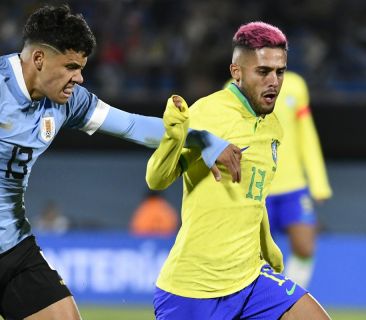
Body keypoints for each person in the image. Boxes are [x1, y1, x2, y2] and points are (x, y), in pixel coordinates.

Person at [0, 5, 241, 320]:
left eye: (82, 67)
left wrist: (201, 139)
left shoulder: (68, 101)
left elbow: (131, 126)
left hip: (14, 248)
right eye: (71, 66)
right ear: (39, 59)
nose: (79, 77)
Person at [146, 22, 331, 319]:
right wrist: (175, 135)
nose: (274, 81)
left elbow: (253, 197)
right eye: (263, 71)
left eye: (279, 71)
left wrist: (266, 243)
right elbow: (156, 178)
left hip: (251, 279)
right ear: (237, 72)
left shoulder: (273, 127)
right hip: (194, 287)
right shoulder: (208, 113)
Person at [266, 70, 332, 289]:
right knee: (257, 257)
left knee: (305, 248)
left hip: (294, 186)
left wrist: (318, 182)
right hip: (258, 186)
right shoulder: (235, 85)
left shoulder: (295, 85)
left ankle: (286, 300)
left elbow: (307, 134)